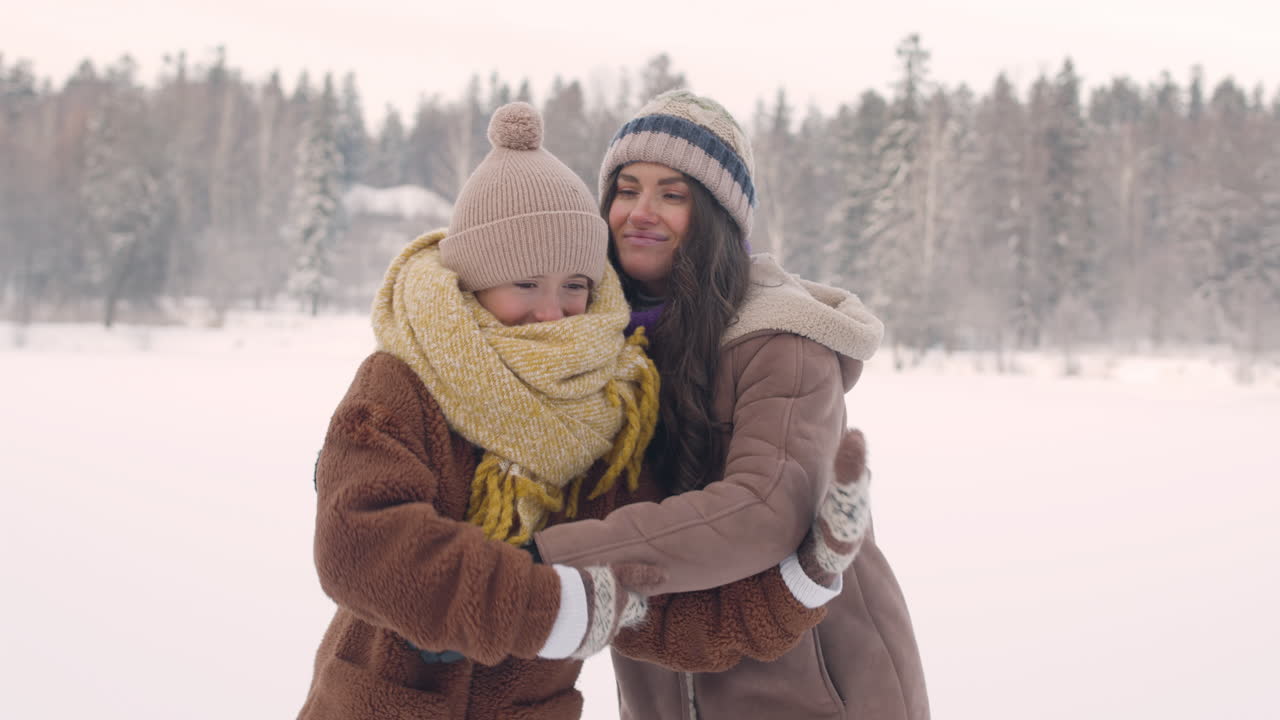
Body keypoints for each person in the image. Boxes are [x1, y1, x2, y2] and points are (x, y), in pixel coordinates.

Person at [297, 102, 871, 720]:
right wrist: (546, 603)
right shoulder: (402, 381)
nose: (554, 313)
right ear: (472, 282)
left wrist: (808, 576)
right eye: (524, 283)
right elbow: (359, 545)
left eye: (575, 285)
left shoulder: (601, 414)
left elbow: (649, 606)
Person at [529, 90, 931, 719]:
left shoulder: (783, 341)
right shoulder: (595, 337)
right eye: (626, 188)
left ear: (716, 214)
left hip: (814, 692)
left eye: (673, 194)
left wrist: (544, 562)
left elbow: (765, 508)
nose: (640, 211)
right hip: (659, 689)